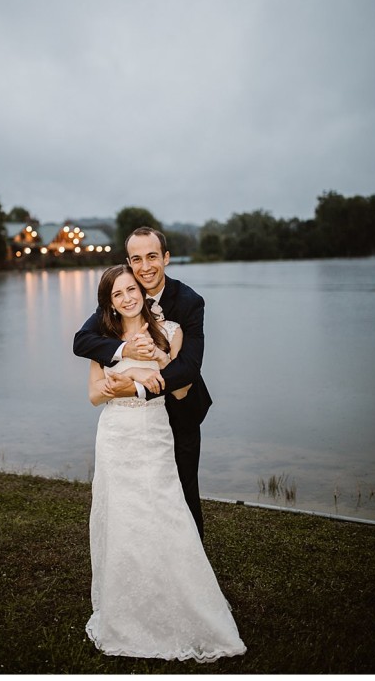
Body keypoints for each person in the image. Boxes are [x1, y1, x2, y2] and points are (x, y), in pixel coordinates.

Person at [84, 264, 245, 661]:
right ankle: (127, 613)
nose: (127, 297)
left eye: (131, 290)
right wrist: (125, 377)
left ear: (141, 291)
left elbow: (180, 384)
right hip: (115, 437)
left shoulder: (170, 330)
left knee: (168, 514)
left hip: (154, 435)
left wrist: (144, 370)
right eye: (117, 293)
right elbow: (93, 395)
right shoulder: (100, 340)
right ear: (109, 302)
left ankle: (189, 606)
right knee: (123, 520)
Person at [74, 226, 211, 539]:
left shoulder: (189, 302)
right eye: (137, 259)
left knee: (183, 491)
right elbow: (82, 341)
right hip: (133, 423)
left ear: (166, 258)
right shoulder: (124, 292)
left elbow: (189, 368)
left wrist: (136, 387)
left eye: (152, 257)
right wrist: (125, 351)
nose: (145, 266)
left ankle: (191, 564)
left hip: (181, 407)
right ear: (129, 262)